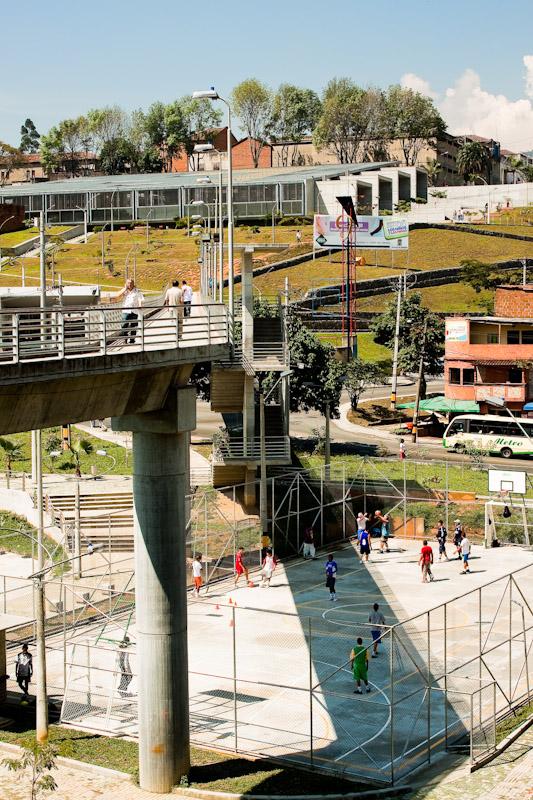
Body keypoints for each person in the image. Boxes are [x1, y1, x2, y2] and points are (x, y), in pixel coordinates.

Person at [115, 279, 144, 344]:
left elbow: (140, 299)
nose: (129, 284)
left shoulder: (137, 291)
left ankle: (132, 340)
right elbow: (117, 296)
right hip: (126, 310)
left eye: (131, 283)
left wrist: (140, 305)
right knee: (124, 325)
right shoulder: (124, 291)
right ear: (126, 284)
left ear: (133, 284)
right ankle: (125, 338)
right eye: (128, 283)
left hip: (134, 310)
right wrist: (124, 288)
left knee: (133, 326)